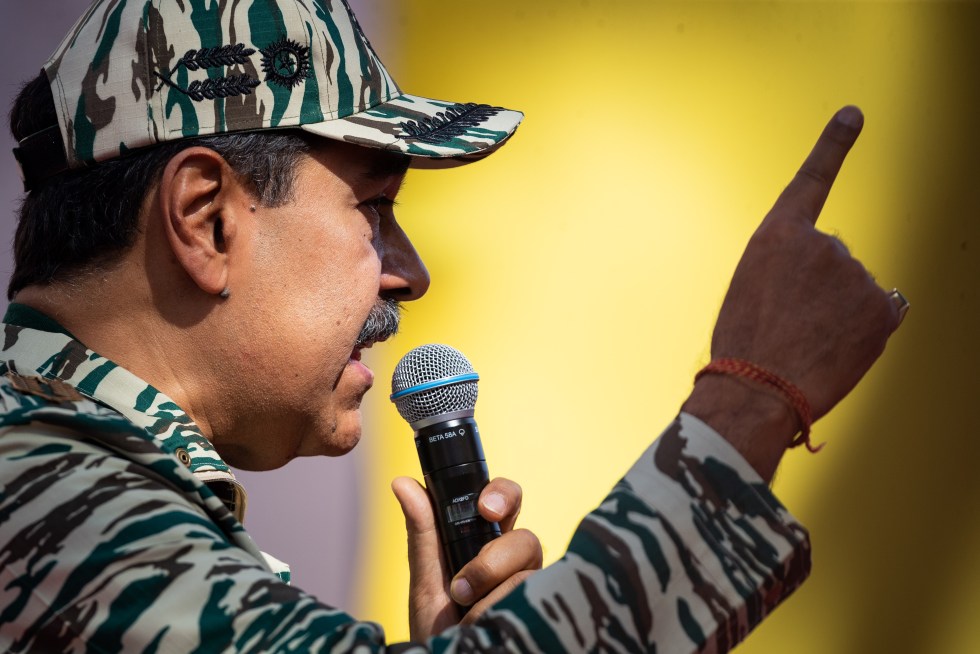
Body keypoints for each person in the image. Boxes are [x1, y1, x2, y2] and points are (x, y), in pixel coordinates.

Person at [0, 0, 906, 652]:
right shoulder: (42, 493)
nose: (410, 274)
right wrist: (750, 404)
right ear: (207, 219)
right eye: (376, 207)